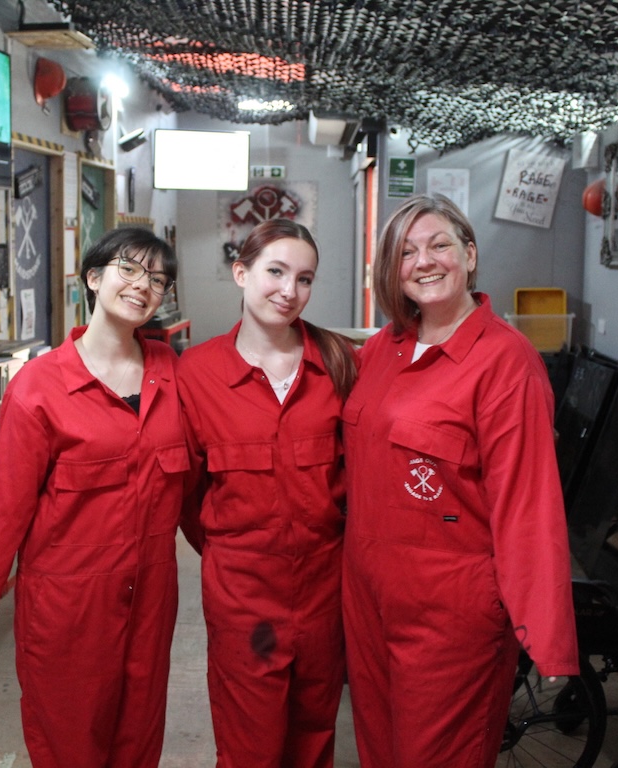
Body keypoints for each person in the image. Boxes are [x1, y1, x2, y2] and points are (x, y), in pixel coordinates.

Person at [0, 227, 193, 767]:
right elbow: (4, 511)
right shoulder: (40, 386)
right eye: (129, 269)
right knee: (70, 741)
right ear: (94, 278)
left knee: (139, 736)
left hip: (152, 594)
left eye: (157, 280)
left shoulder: (172, 374)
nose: (143, 286)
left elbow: (200, 485)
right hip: (68, 603)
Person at [341, 194, 578, 767]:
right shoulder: (382, 349)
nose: (424, 261)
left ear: (469, 255)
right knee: (379, 751)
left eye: (439, 245)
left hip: (449, 615)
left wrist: (544, 631)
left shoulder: (506, 363)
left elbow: (528, 503)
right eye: (406, 252)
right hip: (367, 596)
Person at [176, 219, 356, 767]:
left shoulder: (342, 364)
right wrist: (235, 551)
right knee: (248, 747)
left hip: (325, 594)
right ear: (241, 273)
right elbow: (188, 496)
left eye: (305, 279)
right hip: (243, 601)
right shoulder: (197, 374)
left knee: (314, 736)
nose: (289, 291)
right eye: (275, 272)